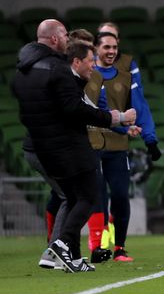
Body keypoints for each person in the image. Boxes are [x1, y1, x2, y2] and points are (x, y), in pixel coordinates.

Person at [13, 20, 136, 273]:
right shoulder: (57, 68)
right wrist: (115, 118)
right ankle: (59, 246)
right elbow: (73, 109)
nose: (67, 38)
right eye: (64, 35)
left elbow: (39, 108)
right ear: (55, 39)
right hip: (62, 145)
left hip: (38, 144)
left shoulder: (25, 69)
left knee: (70, 197)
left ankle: (69, 254)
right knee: (85, 196)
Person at [86, 29, 157, 263]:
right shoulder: (86, 74)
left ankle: (120, 248)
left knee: (119, 196)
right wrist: (123, 125)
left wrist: (148, 137)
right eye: (106, 47)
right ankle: (97, 246)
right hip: (93, 145)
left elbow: (139, 107)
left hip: (117, 147)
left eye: (114, 47)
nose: (111, 51)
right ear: (95, 48)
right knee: (97, 196)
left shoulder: (126, 78)